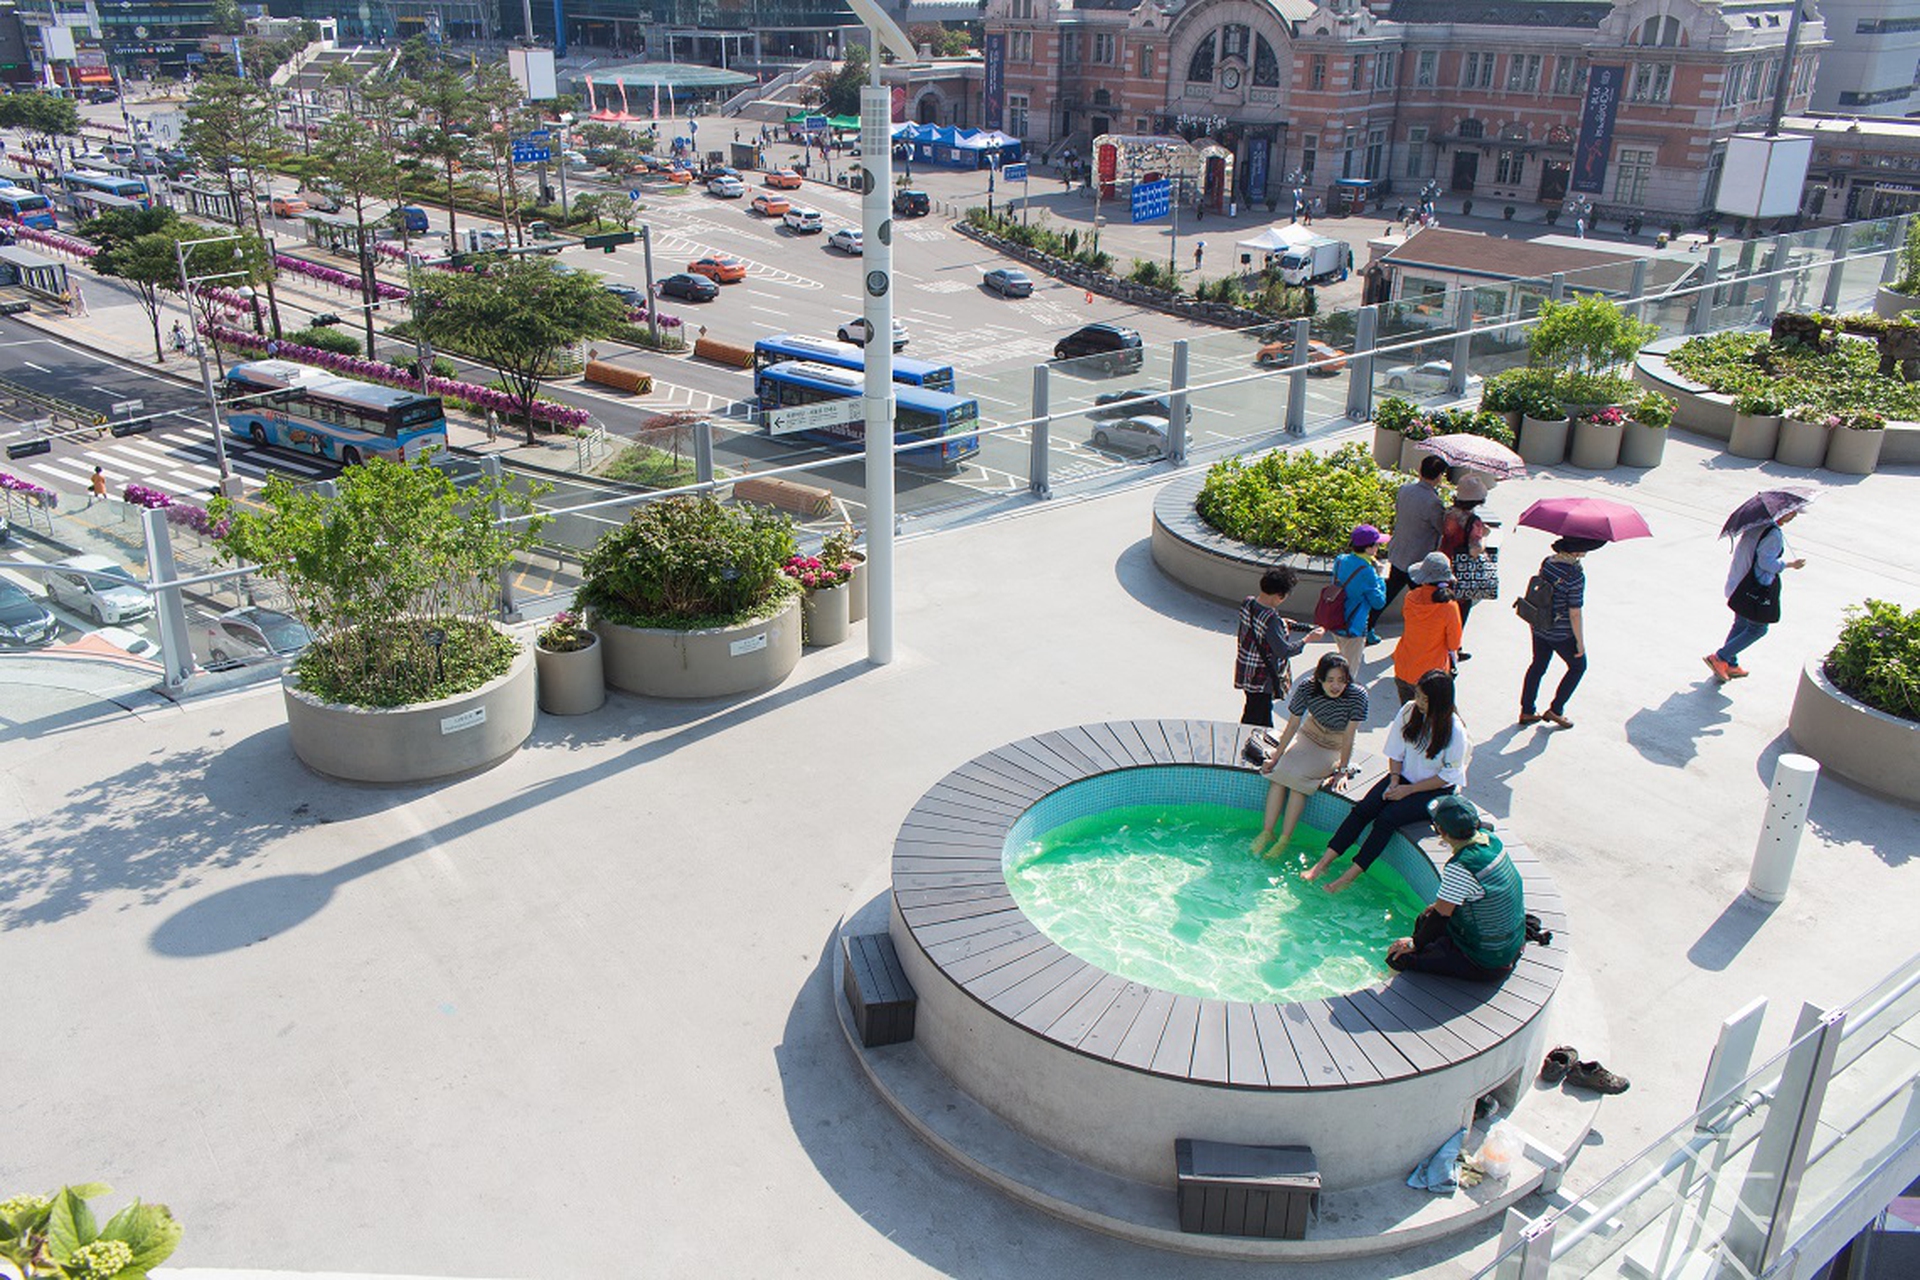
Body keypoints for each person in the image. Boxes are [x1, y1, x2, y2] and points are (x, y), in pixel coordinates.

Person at [1306, 668, 1470, 893]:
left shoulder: (1455, 730)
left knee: (1387, 819)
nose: (1419, 702)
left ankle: (1348, 877)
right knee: (1364, 809)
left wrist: (1408, 790)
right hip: (1402, 777)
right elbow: (1396, 753)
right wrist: (1394, 781)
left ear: (1441, 702)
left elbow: (1448, 777)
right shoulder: (1409, 711)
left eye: (1425, 699)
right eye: (1418, 695)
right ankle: (1322, 864)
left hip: (1434, 790)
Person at [1386, 795, 1525, 982]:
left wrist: (1413, 943)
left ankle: (1395, 986)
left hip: (1488, 961)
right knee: (1427, 917)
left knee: (1399, 955)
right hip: (1513, 943)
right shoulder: (1492, 840)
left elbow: (1441, 916)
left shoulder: (1460, 867)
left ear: (1441, 831)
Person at [1252, 653, 1370, 858]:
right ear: (1320, 679)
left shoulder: (1358, 696)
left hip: (1335, 743)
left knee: (1299, 783)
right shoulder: (1307, 687)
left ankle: (1284, 839)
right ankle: (1267, 832)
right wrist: (1276, 756)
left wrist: (1342, 770)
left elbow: (1349, 736)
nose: (1336, 686)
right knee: (1279, 775)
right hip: (1309, 733)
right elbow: (1293, 725)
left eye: (1342, 681)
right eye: (1330, 680)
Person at [1707, 512, 1805, 681]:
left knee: (1741, 623)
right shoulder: (1773, 534)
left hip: (1740, 583)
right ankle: (1721, 657)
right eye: (1793, 512)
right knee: (1758, 628)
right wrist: (1790, 565)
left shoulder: (1755, 524)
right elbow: (1766, 563)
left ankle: (1730, 664)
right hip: (1754, 588)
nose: (1795, 515)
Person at [1519, 536, 1602, 729]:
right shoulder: (1575, 575)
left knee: (1538, 666)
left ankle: (1527, 710)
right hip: (1561, 632)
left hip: (1539, 624)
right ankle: (1556, 710)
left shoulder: (1548, 562)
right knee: (1578, 666)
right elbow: (1575, 612)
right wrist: (1580, 642)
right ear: (1576, 550)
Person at [1234, 565, 1320, 727]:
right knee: (1257, 716)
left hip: (1246, 669)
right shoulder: (1272, 619)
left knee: (1255, 710)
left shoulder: (1248, 602)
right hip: (1262, 677)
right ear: (1280, 596)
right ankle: (1250, 744)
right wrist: (1307, 639)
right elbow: (1283, 650)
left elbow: (1258, 626)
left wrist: (1281, 624)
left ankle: (1251, 740)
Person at [1376, 454, 1449, 640]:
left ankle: (1368, 625)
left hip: (1400, 552)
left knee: (1390, 590)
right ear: (1439, 476)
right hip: (1417, 559)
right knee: (1421, 601)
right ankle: (1419, 633)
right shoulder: (1433, 502)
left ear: (1420, 470)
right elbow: (1441, 529)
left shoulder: (1405, 490)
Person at [1393, 553, 1462, 705]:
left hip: (1404, 668)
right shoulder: (1449, 607)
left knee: (1407, 718)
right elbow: (1454, 644)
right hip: (1432, 677)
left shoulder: (1411, 597)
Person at [1439, 473, 1495, 657]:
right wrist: (1484, 536)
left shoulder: (1449, 513)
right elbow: (1475, 549)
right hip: (1462, 570)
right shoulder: (1473, 521)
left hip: (1445, 562)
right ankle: (1454, 648)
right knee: (1460, 610)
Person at [1329, 524, 1389, 669]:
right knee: (1349, 672)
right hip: (1354, 628)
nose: (1378, 548)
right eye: (1376, 545)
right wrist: (1380, 577)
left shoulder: (1340, 560)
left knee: (1342, 657)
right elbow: (1379, 602)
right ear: (1368, 548)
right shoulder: (1368, 572)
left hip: (1335, 620)